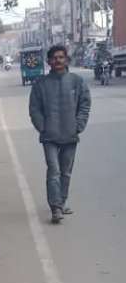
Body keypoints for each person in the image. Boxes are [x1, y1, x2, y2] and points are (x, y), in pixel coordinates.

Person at [29, 44, 91, 224]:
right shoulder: (41, 84)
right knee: (54, 171)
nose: (58, 60)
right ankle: (55, 207)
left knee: (66, 172)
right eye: (54, 58)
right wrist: (43, 127)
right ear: (49, 62)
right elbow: (34, 109)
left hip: (70, 135)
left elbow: (85, 104)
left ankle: (62, 202)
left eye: (61, 57)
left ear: (66, 60)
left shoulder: (76, 81)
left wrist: (78, 125)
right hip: (50, 136)